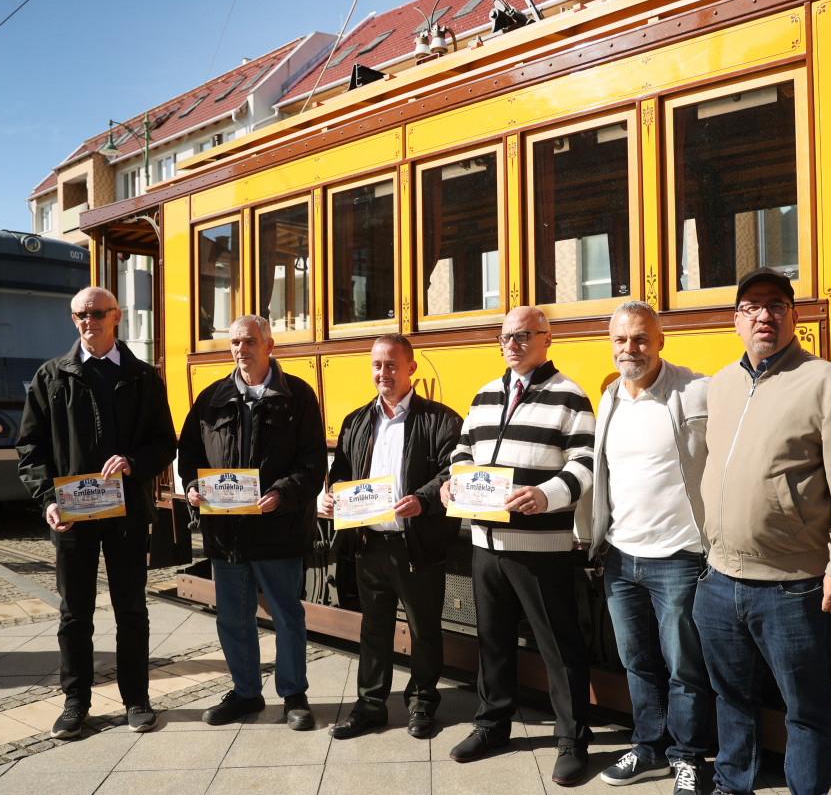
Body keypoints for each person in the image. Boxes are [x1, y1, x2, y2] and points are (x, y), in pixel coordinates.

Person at [696, 268, 831, 795]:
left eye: (776, 305)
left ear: (794, 317)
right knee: (731, 700)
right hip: (718, 580)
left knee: (805, 711)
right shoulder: (721, 385)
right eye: (752, 306)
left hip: (791, 586)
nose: (764, 315)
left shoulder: (828, 384)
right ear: (737, 320)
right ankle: (734, 786)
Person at [441, 305, 596, 787]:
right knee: (493, 641)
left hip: (541, 545)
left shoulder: (570, 396)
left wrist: (545, 495)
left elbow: (587, 463)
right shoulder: (485, 394)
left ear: (548, 339)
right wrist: (452, 482)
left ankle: (572, 740)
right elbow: (463, 450)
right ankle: (492, 725)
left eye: (525, 335)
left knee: (558, 644)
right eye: (506, 336)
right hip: (486, 541)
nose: (514, 343)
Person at [17, 286, 176, 739]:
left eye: (97, 313)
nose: (89, 321)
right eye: (80, 315)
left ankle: (137, 699)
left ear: (117, 316)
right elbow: (30, 448)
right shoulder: (51, 376)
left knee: (131, 610)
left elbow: (165, 442)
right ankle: (75, 702)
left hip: (127, 514)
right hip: (71, 516)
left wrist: (133, 463)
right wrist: (48, 499)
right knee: (74, 613)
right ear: (74, 320)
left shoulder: (144, 377)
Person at [177, 315, 327, 730]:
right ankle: (246, 693)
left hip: (277, 528)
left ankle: (294, 694)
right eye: (235, 342)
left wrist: (282, 494)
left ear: (270, 346)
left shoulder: (298, 396)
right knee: (232, 618)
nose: (241, 349)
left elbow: (313, 464)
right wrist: (191, 486)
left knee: (287, 616)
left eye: (249, 341)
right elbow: (188, 455)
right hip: (226, 533)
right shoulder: (211, 398)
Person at [588, 301, 712, 793]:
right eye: (621, 340)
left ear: (660, 341)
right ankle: (649, 747)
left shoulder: (693, 390)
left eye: (640, 338)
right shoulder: (611, 398)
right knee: (637, 661)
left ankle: (688, 757)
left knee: (684, 665)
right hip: (622, 558)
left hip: (679, 557)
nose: (630, 348)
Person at [319, 335, 462, 741]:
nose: (384, 373)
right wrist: (331, 499)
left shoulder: (441, 419)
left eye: (392, 365)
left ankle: (421, 703)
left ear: (411, 368)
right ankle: (370, 705)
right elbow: (342, 474)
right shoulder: (356, 420)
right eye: (377, 365)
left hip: (416, 546)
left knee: (424, 631)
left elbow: (451, 472)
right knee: (374, 629)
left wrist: (423, 499)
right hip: (370, 545)